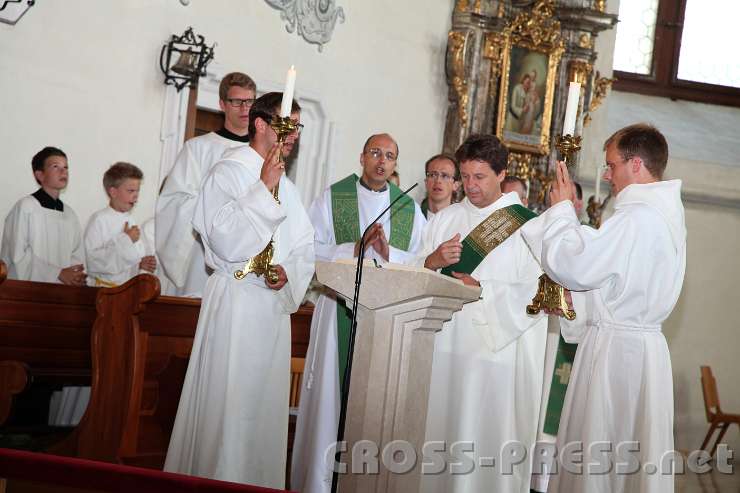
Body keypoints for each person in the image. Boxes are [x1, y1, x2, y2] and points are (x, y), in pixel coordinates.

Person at [520, 124, 686, 493]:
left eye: (611, 165)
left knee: (601, 452)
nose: (607, 175)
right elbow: (613, 278)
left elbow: (576, 265)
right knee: (625, 457)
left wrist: (562, 210)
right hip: (641, 351)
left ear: (636, 164)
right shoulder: (663, 215)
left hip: (617, 355)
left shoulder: (637, 217)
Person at [164, 92, 315, 488]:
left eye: (298, 126)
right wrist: (263, 188)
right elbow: (224, 239)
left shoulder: (291, 188)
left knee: (260, 407)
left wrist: (288, 272)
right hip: (235, 300)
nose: (294, 134)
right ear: (260, 124)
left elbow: (304, 246)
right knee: (227, 403)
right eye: (287, 124)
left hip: (271, 311)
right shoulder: (228, 172)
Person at [291, 133, 426, 493]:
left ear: (396, 164)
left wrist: (389, 253)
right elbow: (306, 249)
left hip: (383, 318)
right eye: (375, 153)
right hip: (336, 311)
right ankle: (320, 483)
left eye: (390, 156)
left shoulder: (407, 208)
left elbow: (420, 261)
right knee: (330, 400)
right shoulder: (334, 198)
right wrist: (354, 247)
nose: (382, 161)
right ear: (362, 157)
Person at [419, 134, 547, 493]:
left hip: (493, 357)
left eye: (480, 177)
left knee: (481, 446)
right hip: (443, 353)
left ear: (501, 174)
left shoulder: (526, 226)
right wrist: (432, 261)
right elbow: (415, 275)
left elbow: (539, 293)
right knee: (439, 440)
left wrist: (484, 288)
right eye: (465, 176)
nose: (470, 186)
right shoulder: (446, 218)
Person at [156, 72, 256, 297]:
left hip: (248, 257)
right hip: (202, 258)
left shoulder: (262, 154)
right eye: (237, 101)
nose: (245, 108)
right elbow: (175, 201)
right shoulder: (197, 148)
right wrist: (219, 212)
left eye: (250, 101)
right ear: (222, 104)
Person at [1, 146, 86, 285]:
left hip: (64, 292)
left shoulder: (69, 215)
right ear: (40, 175)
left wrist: (74, 275)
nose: (63, 171)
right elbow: (17, 255)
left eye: (66, 167)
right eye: (55, 166)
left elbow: (76, 254)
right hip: (29, 291)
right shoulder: (26, 207)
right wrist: (57, 274)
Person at [84, 162, 156, 287]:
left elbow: (128, 262)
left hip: (127, 288)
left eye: (137, 191)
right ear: (113, 192)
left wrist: (141, 264)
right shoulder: (99, 220)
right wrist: (126, 240)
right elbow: (93, 262)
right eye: (131, 191)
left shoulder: (131, 220)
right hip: (105, 289)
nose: (136, 196)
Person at [420, 153, 461, 220]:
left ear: (455, 185)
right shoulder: (414, 217)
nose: (438, 180)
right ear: (426, 182)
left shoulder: (463, 221)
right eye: (433, 175)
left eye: (445, 176)